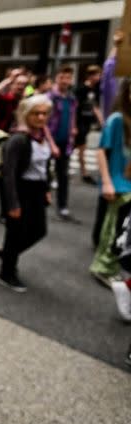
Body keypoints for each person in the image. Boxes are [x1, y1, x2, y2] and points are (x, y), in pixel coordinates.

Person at [0, 95, 53, 292]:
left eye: (44, 113)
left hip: (37, 189)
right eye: (36, 113)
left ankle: (8, 254)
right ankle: (7, 272)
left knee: (39, 230)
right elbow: (9, 174)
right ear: (27, 115)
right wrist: (12, 203)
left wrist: (46, 189)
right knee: (15, 231)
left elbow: (44, 166)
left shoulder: (42, 135)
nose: (40, 117)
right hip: (20, 188)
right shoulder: (19, 139)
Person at [90, 79, 131, 289]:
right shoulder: (116, 119)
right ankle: (103, 267)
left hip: (128, 184)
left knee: (124, 232)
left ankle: (113, 265)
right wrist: (106, 182)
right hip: (118, 185)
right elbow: (101, 151)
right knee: (114, 229)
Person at [46, 66, 79, 221]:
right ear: (56, 78)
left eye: (68, 78)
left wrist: (73, 130)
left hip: (64, 142)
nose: (65, 81)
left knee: (63, 175)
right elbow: (43, 122)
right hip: (48, 140)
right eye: (62, 77)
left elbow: (72, 116)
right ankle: (41, 200)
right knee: (43, 172)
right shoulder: (49, 97)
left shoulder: (71, 98)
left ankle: (62, 206)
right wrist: (51, 143)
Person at [74, 65, 104, 184]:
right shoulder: (81, 89)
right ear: (90, 76)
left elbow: (95, 106)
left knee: (81, 147)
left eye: (99, 75)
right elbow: (74, 107)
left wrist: (101, 121)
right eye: (96, 75)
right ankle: (84, 172)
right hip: (78, 122)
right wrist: (73, 126)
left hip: (86, 123)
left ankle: (84, 172)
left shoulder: (95, 90)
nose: (98, 78)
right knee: (79, 147)